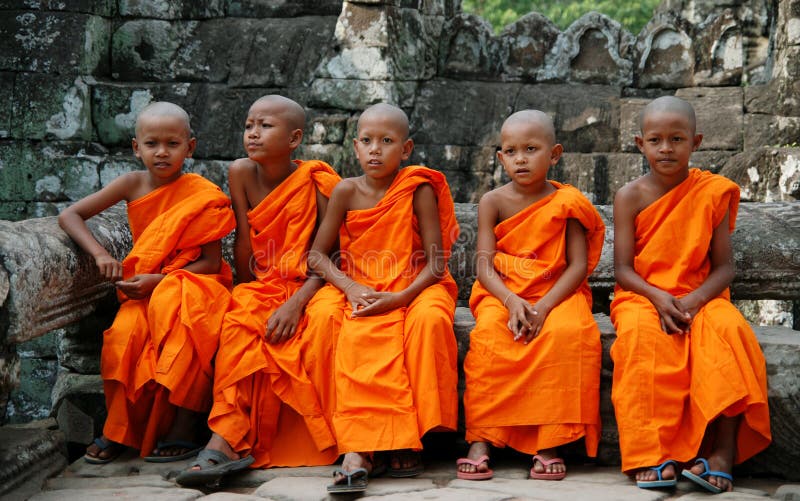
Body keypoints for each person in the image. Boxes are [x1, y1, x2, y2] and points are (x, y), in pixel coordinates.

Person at [176, 95, 344, 487]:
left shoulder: (320, 181)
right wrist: (250, 296)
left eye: (265, 126)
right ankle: (225, 441)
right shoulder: (240, 173)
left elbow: (331, 256)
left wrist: (296, 303)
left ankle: (297, 438)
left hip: (314, 285)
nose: (253, 133)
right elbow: (245, 249)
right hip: (264, 282)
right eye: (249, 125)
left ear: (295, 138)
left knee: (322, 323)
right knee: (238, 323)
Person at [58, 102, 236, 464]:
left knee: (187, 327)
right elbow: (70, 215)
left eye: (173, 143)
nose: (162, 152)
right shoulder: (131, 183)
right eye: (152, 143)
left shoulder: (202, 193)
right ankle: (119, 429)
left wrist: (162, 280)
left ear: (191, 147)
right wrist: (100, 255)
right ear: (136, 148)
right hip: (146, 289)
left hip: (194, 285)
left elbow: (211, 262)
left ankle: (183, 426)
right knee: (124, 336)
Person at [611, 96, 771, 493]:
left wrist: (694, 300)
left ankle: (723, 451)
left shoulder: (710, 193)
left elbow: (724, 268)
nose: (666, 148)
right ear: (639, 143)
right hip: (642, 298)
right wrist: (659, 298)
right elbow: (623, 271)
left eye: (677, 139)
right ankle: (653, 452)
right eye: (656, 140)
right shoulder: (629, 196)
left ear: (696, 142)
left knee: (730, 332)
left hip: (702, 296)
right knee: (640, 340)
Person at [308, 103, 459, 494]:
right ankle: (356, 446)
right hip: (358, 285)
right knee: (327, 319)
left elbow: (436, 264)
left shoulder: (417, 189)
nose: (375, 149)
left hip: (415, 284)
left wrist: (400, 298)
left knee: (428, 321)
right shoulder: (345, 191)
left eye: (387, 141)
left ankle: (408, 438)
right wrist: (351, 288)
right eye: (367, 141)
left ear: (406, 149)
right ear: (355, 148)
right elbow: (317, 256)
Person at [457, 110, 605, 482]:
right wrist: (510, 301)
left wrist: (542, 306)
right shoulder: (493, 201)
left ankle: (549, 439)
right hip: (503, 291)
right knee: (490, 336)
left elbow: (575, 266)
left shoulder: (566, 202)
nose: (520, 158)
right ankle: (482, 439)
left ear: (554, 154)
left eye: (531, 149)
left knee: (569, 333)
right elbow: (484, 267)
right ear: (500, 157)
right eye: (511, 151)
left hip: (555, 292)